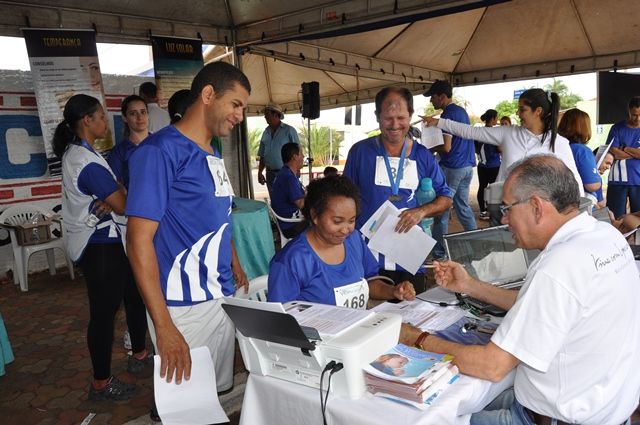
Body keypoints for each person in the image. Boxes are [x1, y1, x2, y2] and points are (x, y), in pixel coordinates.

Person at [400, 155, 640, 425]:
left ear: (536, 206)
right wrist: (469, 285)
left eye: (507, 208)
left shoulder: (559, 265)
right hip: (603, 406)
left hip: (556, 417)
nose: (504, 219)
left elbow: (491, 366)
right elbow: (542, 306)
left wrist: (415, 339)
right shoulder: (604, 235)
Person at [126, 62, 251, 406]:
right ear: (208, 94)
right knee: (186, 406)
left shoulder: (212, 151)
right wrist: (164, 326)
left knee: (212, 398)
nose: (240, 116)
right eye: (236, 104)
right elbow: (137, 241)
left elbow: (218, 215)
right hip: (183, 306)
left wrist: (233, 260)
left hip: (219, 296)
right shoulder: (159, 152)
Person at [54, 94, 150, 401]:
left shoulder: (84, 153)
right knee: (103, 315)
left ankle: (139, 355)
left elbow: (117, 196)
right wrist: (117, 195)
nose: (105, 122)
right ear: (87, 120)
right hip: (100, 247)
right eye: (100, 116)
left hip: (110, 242)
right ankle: (101, 383)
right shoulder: (84, 161)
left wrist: (115, 195)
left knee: (132, 296)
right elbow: (122, 203)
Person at [343, 87, 452, 292]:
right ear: (377, 116)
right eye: (388, 118)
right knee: (372, 310)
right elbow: (343, 197)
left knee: (411, 306)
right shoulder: (360, 152)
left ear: (410, 116)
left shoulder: (423, 156)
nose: (395, 125)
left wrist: (421, 211)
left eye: (401, 117)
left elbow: (446, 198)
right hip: (367, 255)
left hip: (409, 255)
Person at [267, 176, 416, 307]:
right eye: (337, 221)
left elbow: (369, 283)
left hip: (358, 325)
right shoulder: (290, 261)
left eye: (351, 221)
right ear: (315, 215)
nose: (345, 230)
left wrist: (394, 291)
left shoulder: (354, 240)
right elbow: (280, 318)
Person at [424, 88, 584, 191]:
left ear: (538, 111)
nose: (518, 114)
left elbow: (574, 180)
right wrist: (439, 122)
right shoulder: (508, 133)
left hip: (537, 216)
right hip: (503, 209)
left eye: (522, 109)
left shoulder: (559, 143)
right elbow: (470, 131)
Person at [424, 80, 477, 257]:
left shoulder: (448, 115)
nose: (431, 101)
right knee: (463, 208)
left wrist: (429, 148)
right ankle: (478, 244)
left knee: (441, 210)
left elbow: (446, 147)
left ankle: (440, 253)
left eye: (432, 97)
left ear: (441, 97)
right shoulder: (461, 112)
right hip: (467, 167)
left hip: (453, 167)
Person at [605, 96, 640, 218]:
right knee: (615, 217)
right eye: (634, 115)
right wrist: (635, 152)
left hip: (639, 180)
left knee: (638, 219)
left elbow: (619, 151)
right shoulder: (617, 128)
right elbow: (614, 152)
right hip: (617, 179)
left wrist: (624, 148)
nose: (638, 118)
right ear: (629, 111)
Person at [558, 108, 601, 203]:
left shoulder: (557, 147)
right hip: (581, 202)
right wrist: (597, 175)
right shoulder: (582, 151)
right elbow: (592, 185)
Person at [257, 102, 300, 195]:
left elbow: (298, 152)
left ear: (275, 115)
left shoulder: (289, 130)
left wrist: (297, 170)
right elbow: (262, 155)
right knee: (275, 200)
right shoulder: (265, 132)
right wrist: (260, 172)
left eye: (267, 114)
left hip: (286, 173)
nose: (265, 117)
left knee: (289, 199)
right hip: (270, 174)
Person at [107, 95, 149, 189]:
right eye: (133, 113)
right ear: (124, 118)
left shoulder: (160, 144)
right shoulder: (118, 152)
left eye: (143, 112)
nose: (140, 117)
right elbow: (115, 185)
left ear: (148, 115)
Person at [270, 142, 308, 239]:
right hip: (291, 226)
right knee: (323, 222)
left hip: (288, 222)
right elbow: (302, 204)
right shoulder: (289, 178)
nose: (303, 157)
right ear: (295, 157)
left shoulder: (285, 173)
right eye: (301, 153)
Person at [475, 109, 501, 220]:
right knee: (495, 189)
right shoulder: (495, 132)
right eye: (496, 118)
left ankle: (483, 211)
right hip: (494, 166)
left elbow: (476, 148)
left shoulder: (479, 132)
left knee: (482, 187)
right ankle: (494, 212)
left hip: (482, 166)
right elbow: (500, 149)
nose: (497, 120)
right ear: (492, 119)